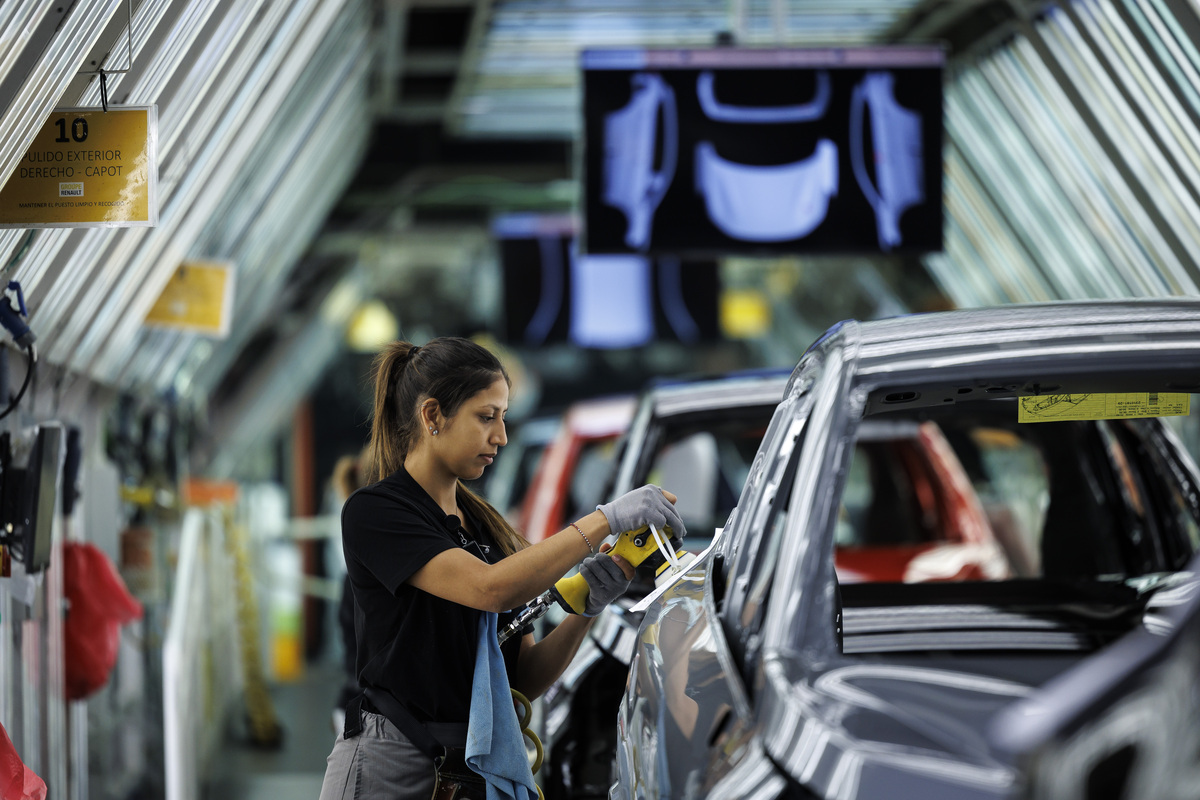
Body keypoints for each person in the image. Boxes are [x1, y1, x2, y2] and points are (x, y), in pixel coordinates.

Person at [318, 337, 685, 800]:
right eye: (486, 417)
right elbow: (490, 590)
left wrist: (585, 611)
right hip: (391, 768)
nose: (501, 436)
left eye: (504, 417)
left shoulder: (488, 530)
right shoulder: (376, 512)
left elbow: (523, 679)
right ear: (432, 416)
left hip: (468, 771)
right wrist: (607, 518)